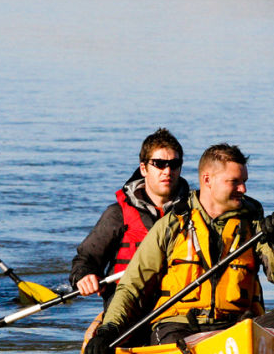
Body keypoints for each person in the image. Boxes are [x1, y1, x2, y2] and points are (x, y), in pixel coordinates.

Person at [83, 143, 274, 354]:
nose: (243, 189)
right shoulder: (171, 225)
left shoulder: (254, 225)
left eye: (244, 182)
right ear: (207, 180)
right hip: (179, 326)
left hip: (238, 325)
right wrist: (108, 330)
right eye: (234, 182)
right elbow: (132, 286)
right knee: (170, 339)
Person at [69, 128, 190, 304]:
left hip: (178, 309)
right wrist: (85, 276)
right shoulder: (117, 215)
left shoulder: (195, 212)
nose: (167, 171)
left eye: (174, 164)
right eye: (159, 163)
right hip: (126, 307)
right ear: (144, 168)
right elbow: (86, 259)